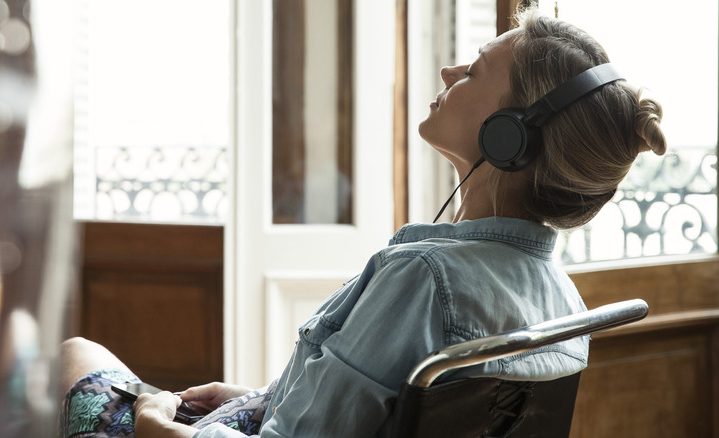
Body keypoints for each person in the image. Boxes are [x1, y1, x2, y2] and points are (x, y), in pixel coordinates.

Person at [59, 6, 666, 438]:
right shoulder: (560, 297)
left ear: (509, 138)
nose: (449, 73)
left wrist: (158, 429)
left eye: (474, 72)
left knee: (73, 356)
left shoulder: (424, 280)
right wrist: (258, 399)